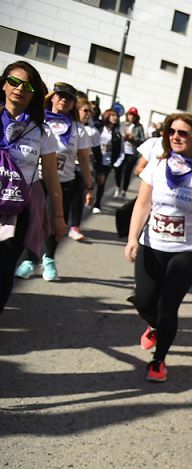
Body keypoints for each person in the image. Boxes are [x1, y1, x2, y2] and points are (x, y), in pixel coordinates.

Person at [124, 113, 192, 382]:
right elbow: (142, 204)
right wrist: (133, 238)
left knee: (168, 306)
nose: (176, 137)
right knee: (144, 302)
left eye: (183, 133)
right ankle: (155, 326)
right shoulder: (157, 165)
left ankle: (158, 361)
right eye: (172, 132)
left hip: (187, 250)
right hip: (152, 244)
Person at [1, 61, 65, 312]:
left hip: (15, 212)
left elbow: (51, 177)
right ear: (4, 84)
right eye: (14, 81)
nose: (19, 88)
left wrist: (58, 216)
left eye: (27, 85)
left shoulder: (42, 131)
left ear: (34, 93)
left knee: (3, 273)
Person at [13, 82, 93, 281]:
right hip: (35, 182)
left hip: (63, 184)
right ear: (52, 98)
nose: (64, 100)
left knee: (53, 221)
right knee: (32, 222)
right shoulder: (37, 121)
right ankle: (30, 260)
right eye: (60, 96)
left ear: (74, 103)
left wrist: (89, 187)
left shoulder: (78, 129)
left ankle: (48, 258)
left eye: (69, 98)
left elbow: (83, 160)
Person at [67, 94, 99, 241]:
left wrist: (94, 178)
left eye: (90, 112)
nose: (88, 114)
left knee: (77, 199)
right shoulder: (65, 126)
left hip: (81, 169)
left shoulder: (89, 131)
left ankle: (74, 227)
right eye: (85, 110)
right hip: (63, 170)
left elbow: (93, 155)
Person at [91, 108, 121, 213]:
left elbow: (118, 150)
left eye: (116, 116)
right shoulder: (98, 128)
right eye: (112, 115)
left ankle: (97, 204)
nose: (115, 118)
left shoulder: (117, 134)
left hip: (106, 162)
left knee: (101, 183)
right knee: (91, 181)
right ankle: (87, 199)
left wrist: (115, 163)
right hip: (94, 160)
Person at [114, 106, 144, 198]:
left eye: (134, 115)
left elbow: (142, 140)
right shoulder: (122, 124)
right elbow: (116, 134)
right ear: (127, 115)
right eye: (130, 114)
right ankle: (118, 187)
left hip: (132, 153)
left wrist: (133, 138)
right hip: (121, 152)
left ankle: (124, 191)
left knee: (127, 172)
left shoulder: (139, 127)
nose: (132, 117)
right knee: (118, 170)